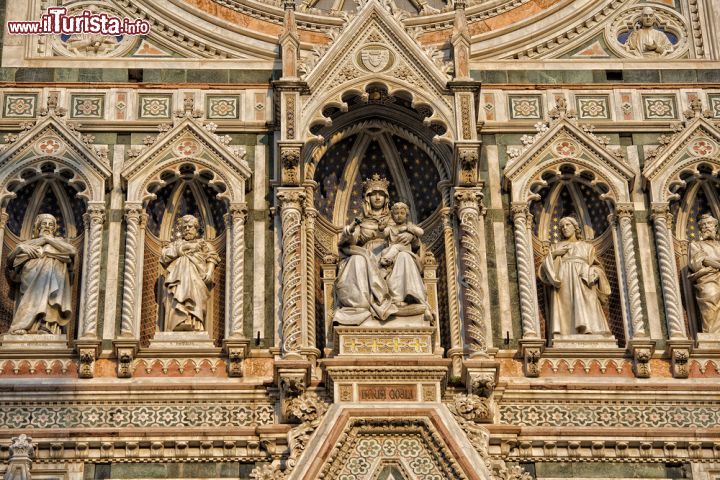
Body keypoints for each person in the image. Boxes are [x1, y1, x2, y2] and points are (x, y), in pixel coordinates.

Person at [333, 174, 398, 326]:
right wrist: (350, 230)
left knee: (404, 258)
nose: (377, 197)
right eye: (374, 194)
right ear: (368, 198)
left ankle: (395, 300)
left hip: (389, 255)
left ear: (386, 198)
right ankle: (359, 305)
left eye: (381, 194)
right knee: (357, 259)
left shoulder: (395, 220)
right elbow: (349, 242)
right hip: (367, 254)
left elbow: (405, 238)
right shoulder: (361, 221)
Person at [539, 217, 611, 336]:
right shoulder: (555, 247)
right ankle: (567, 333)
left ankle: (591, 329)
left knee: (589, 303)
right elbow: (543, 269)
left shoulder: (587, 247)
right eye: (562, 227)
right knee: (566, 307)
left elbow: (597, 267)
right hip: (563, 280)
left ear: (575, 227)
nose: (564, 228)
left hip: (583, 279)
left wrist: (594, 272)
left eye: (567, 225)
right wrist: (554, 255)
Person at [7, 214, 76, 335]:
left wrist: (48, 240)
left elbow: (72, 251)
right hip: (30, 276)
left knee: (50, 270)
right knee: (33, 294)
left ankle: (45, 325)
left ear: (54, 228)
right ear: (38, 226)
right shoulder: (29, 243)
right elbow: (9, 261)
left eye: (51, 225)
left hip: (51, 277)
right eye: (44, 224)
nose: (47, 227)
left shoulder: (58, 242)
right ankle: (23, 325)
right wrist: (20, 248)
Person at [160, 215, 219, 332]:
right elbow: (164, 256)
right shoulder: (175, 244)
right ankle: (178, 322)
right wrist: (181, 249)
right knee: (177, 294)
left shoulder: (203, 244)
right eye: (184, 227)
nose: (187, 229)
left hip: (196, 278)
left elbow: (212, 257)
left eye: (190, 226)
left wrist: (209, 272)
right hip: (178, 277)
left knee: (195, 297)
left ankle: (194, 323)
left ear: (196, 229)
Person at [380, 202, 429, 314]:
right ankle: (397, 298)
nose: (399, 215)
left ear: (407, 215)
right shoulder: (391, 228)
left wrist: (410, 231)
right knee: (396, 251)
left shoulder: (409, 227)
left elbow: (420, 234)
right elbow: (383, 233)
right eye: (396, 213)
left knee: (403, 254)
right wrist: (382, 226)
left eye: (402, 213)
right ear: (392, 215)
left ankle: (411, 294)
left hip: (407, 255)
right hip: (394, 258)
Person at [688, 213, 720, 334]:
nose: (706, 227)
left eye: (709, 224)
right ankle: (712, 333)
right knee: (710, 297)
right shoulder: (696, 245)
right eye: (704, 225)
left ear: (715, 227)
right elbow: (701, 261)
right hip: (708, 279)